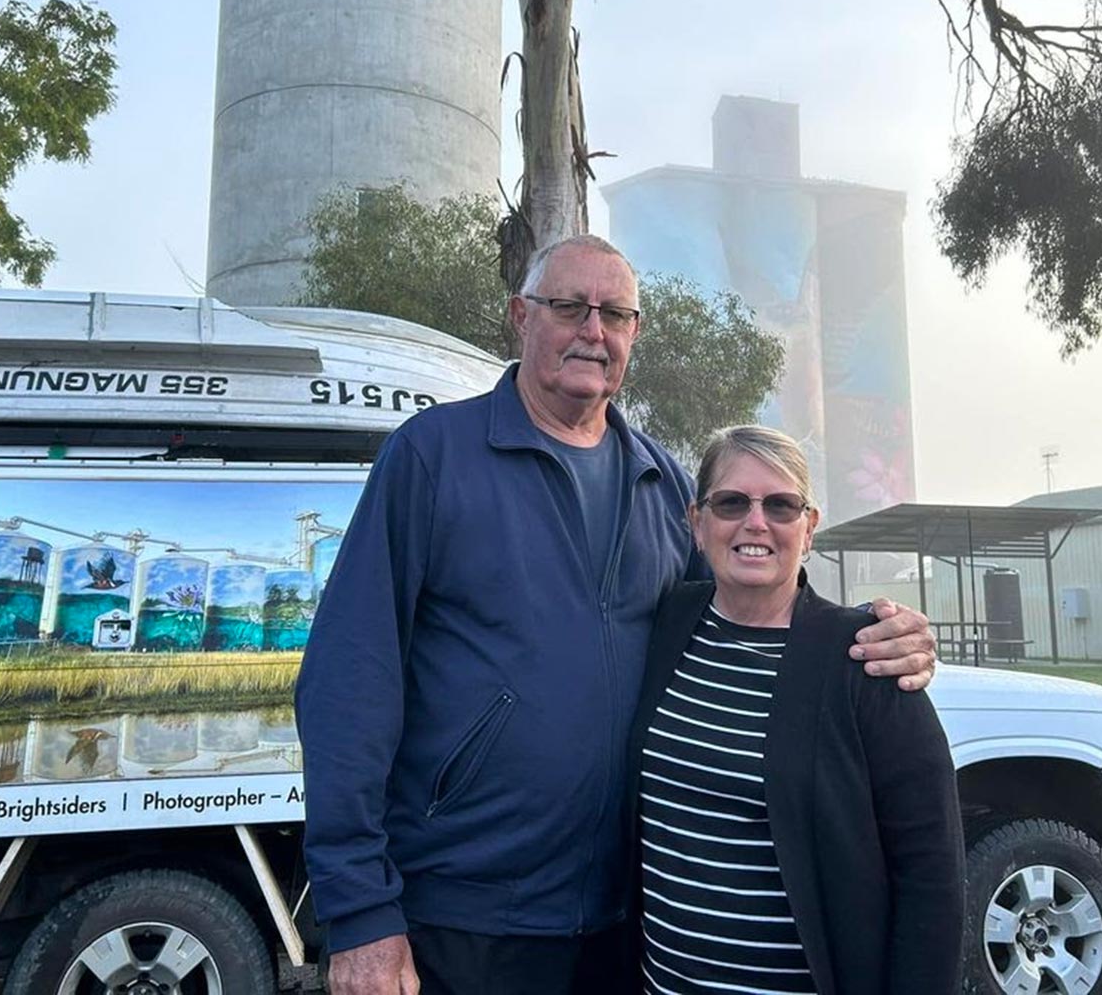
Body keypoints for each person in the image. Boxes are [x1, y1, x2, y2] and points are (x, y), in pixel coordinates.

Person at [295, 235, 938, 995]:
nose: (592, 331)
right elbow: (348, 680)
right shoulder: (433, 458)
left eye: (616, 314)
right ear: (520, 316)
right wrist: (361, 909)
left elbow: (747, 615)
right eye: (569, 306)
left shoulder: (664, 486)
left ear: (633, 334)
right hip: (463, 918)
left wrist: (871, 630)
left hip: (625, 925)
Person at [629, 425, 963, 994]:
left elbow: (931, 873)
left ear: (808, 529)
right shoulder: (665, 625)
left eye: (780, 505)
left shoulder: (866, 656)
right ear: (697, 521)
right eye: (732, 502)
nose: (755, 523)